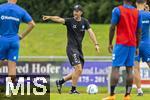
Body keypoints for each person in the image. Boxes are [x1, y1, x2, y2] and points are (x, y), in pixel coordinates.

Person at [42, 4, 99, 94]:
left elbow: (91, 32)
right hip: (72, 48)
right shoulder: (70, 21)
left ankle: (60, 81)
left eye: (77, 11)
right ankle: (73, 90)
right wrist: (49, 17)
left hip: (79, 49)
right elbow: (59, 19)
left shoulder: (85, 22)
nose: (75, 13)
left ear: (81, 12)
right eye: (74, 11)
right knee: (78, 69)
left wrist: (96, 44)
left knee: (78, 71)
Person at [103, 0, 142, 100]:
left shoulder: (117, 10)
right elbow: (139, 31)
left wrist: (110, 43)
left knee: (115, 68)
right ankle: (127, 95)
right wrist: (137, 46)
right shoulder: (137, 12)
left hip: (121, 43)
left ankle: (112, 95)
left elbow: (112, 27)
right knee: (130, 69)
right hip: (132, 44)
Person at [0, 0, 35, 94]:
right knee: (12, 68)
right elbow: (32, 24)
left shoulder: (1, 8)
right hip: (14, 41)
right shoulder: (20, 10)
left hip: (2, 39)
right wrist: (21, 36)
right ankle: (9, 92)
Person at [134, 0, 150, 96]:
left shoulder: (132, 14)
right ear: (144, 3)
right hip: (146, 44)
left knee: (136, 68)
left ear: (136, 3)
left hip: (135, 44)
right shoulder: (148, 14)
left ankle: (139, 91)